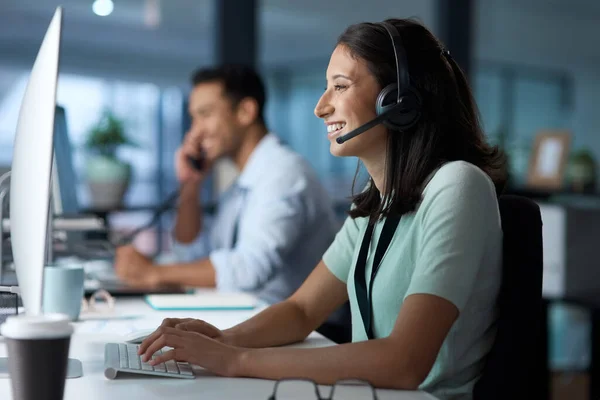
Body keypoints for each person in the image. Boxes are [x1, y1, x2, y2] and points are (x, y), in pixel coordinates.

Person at [135, 18, 507, 400]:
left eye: (340, 87)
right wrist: (223, 339)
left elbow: (404, 362)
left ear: (398, 101)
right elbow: (301, 311)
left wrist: (236, 360)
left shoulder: (458, 186)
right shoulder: (379, 202)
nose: (320, 107)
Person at [113, 64, 344, 320]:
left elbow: (250, 269)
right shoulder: (241, 183)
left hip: (308, 332)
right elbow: (192, 255)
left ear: (245, 111)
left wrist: (154, 272)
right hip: (254, 318)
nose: (195, 132)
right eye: (194, 118)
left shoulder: (283, 173)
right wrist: (190, 184)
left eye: (206, 114)